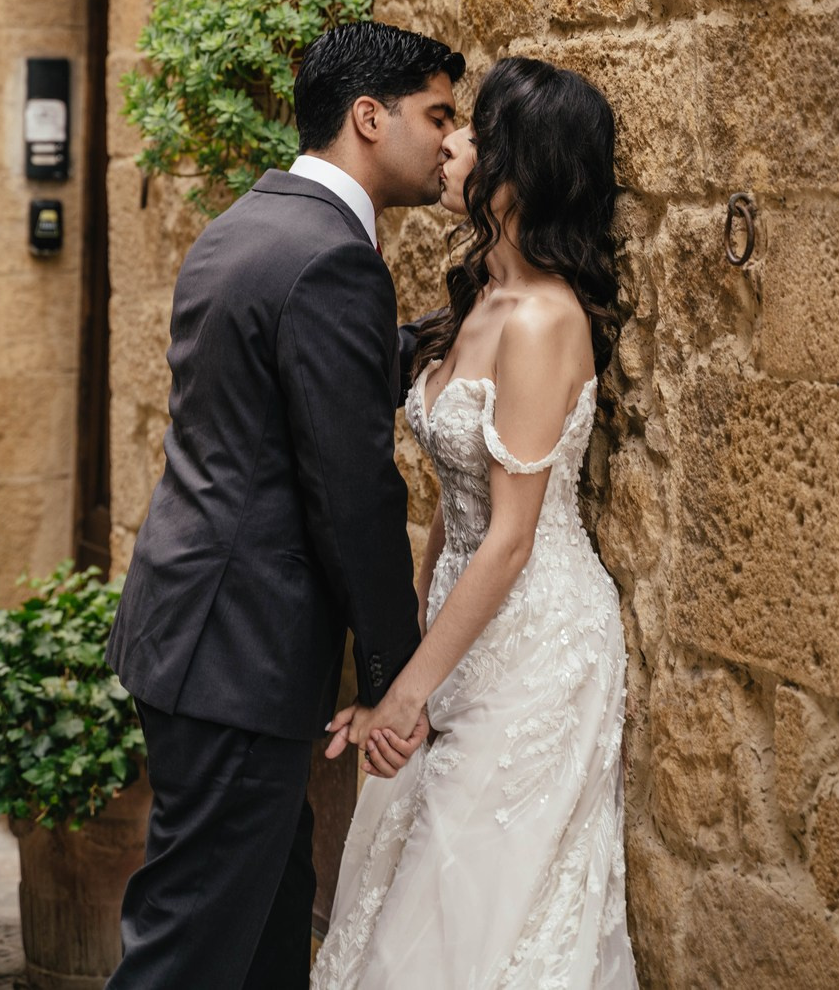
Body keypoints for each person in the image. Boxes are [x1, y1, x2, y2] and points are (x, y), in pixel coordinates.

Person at [104, 20, 466, 990]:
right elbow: (351, 491)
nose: (447, 139)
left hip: (190, 633)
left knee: (265, 933)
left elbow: (280, 394)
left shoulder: (246, 226)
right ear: (366, 117)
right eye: (435, 115)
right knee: (184, 953)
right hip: (239, 656)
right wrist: (393, 676)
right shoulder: (333, 260)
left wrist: (419, 343)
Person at [312, 56, 638, 989]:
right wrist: (404, 654)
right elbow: (448, 519)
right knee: (411, 882)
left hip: (534, 640)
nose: (450, 144)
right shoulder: (482, 301)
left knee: (478, 904)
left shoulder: (542, 321)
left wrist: (406, 695)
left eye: (474, 133)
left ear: (519, 172)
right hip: (459, 627)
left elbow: (509, 536)